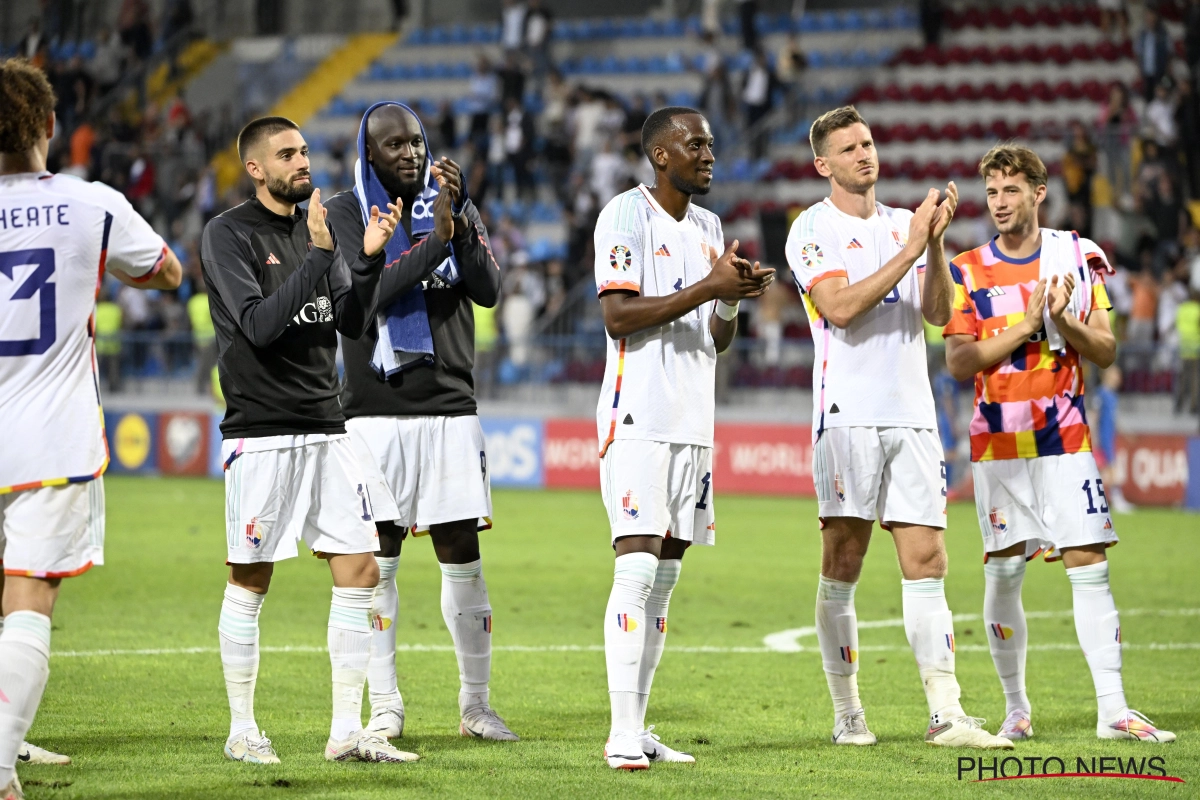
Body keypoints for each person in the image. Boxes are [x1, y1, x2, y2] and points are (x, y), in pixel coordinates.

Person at [785, 106, 1011, 750]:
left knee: (928, 559)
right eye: (849, 148)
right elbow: (840, 308)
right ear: (823, 164)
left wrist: (934, 244)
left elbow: (939, 313)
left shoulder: (903, 225)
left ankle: (947, 712)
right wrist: (913, 246)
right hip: (847, 416)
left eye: (869, 142)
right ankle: (848, 710)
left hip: (913, 414)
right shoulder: (811, 229)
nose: (865, 154)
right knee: (843, 560)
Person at [200, 116, 417, 766]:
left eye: (304, 150)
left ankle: (346, 731)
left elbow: (352, 319)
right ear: (256, 169)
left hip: (329, 425)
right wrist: (323, 256)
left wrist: (369, 257)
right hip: (262, 431)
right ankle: (243, 729)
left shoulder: (314, 229)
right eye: (287, 153)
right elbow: (260, 328)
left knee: (361, 568)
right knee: (251, 577)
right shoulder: (228, 235)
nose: (303, 161)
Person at [943, 143, 1174, 743]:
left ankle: (1113, 711)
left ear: (1039, 192)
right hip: (998, 443)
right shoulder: (965, 267)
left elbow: (1105, 349)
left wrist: (1062, 320)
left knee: (1089, 565)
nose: (999, 202)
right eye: (991, 191)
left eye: (1011, 190)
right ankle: (1016, 709)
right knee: (1003, 574)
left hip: (1063, 437)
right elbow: (958, 360)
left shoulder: (1077, 253)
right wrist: (1026, 324)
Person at [0, 58, 183, 800]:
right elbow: (167, 271)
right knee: (29, 597)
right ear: (51, 127)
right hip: (50, 438)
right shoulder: (91, 203)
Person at [324, 102, 513, 743]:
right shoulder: (347, 213)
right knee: (379, 564)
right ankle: (386, 706)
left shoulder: (451, 204)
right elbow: (368, 295)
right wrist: (434, 241)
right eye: (394, 145)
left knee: (464, 558)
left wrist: (455, 227)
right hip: (375, 413)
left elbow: (487, 289)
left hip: (451, 407)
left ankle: (476, 706)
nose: (410, 152)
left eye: (417, 141)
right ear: (370, 154)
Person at [595, 106, 775, 770]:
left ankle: (638, 726)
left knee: (665, 581)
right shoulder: (623, 215)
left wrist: (731, 298)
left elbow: (717, 338)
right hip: (638, 415)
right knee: (637, 567)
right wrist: (709, 286)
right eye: (694, 143)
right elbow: (618, 317)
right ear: (659, 155)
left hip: (693, 422)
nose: (709, 153)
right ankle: (619, 733)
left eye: (711, 143)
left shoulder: (709, 227)